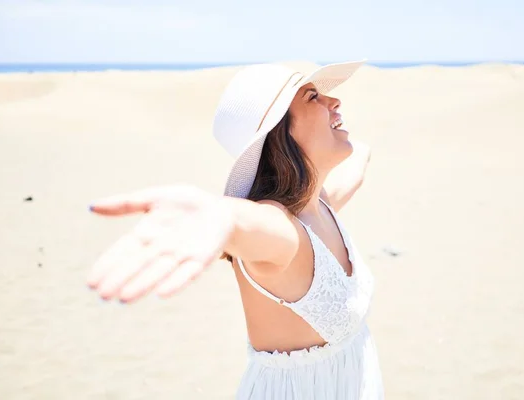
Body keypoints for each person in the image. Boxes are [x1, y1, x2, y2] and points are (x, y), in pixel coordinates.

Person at [87, 60, 384, 399]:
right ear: (279, 134)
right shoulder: (283, 230)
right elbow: (247, 222)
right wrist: (218, 215)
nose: (334, 101)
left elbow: (359, 158)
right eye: (313, 96)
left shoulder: (322, 204)